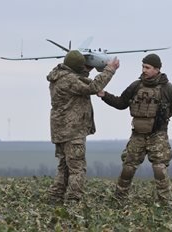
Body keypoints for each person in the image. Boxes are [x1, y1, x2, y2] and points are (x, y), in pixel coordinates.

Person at [98, 53, 172, 204]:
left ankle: (165, 203)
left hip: (157, 134)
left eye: (147, 67)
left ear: (157, 69)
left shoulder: (168, 88)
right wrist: (104, 95)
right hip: (137, 135)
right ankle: (118, 199)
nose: (144, 70)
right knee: (128, 168)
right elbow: (121, 103)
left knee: (159, 169)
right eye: (143, 66)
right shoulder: (136, 85)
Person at [47, 50, 119, 203]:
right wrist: (110, 69)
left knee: (64, 167)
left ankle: (55, 197)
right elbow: (92, 87)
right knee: (77, 168)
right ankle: (74, 200)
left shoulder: (58, 77)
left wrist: (87, 69)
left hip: (60, 131)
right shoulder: (70, 80)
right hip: (72, 130)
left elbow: (80, 81)